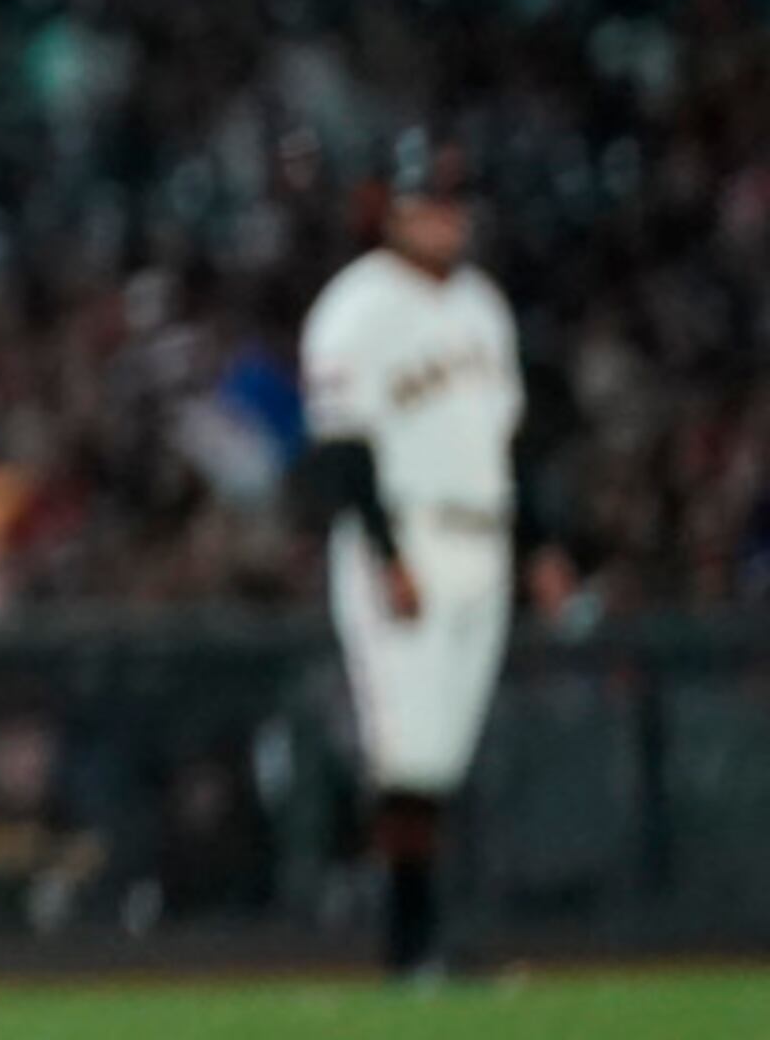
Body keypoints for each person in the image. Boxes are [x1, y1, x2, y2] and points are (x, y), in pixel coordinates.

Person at [295, 129, 544, 981]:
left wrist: (541, 545)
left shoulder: (482, 304)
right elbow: (342, 452)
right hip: (407, 537)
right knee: (405, 751)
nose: (445, 216)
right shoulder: (356, 307)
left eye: (451, 201)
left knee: (444, 751)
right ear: (392, 214)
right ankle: (408, 947)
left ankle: (431, 938)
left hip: (486, 536)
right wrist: (386, 555)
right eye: (426, 203)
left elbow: (510, 443)